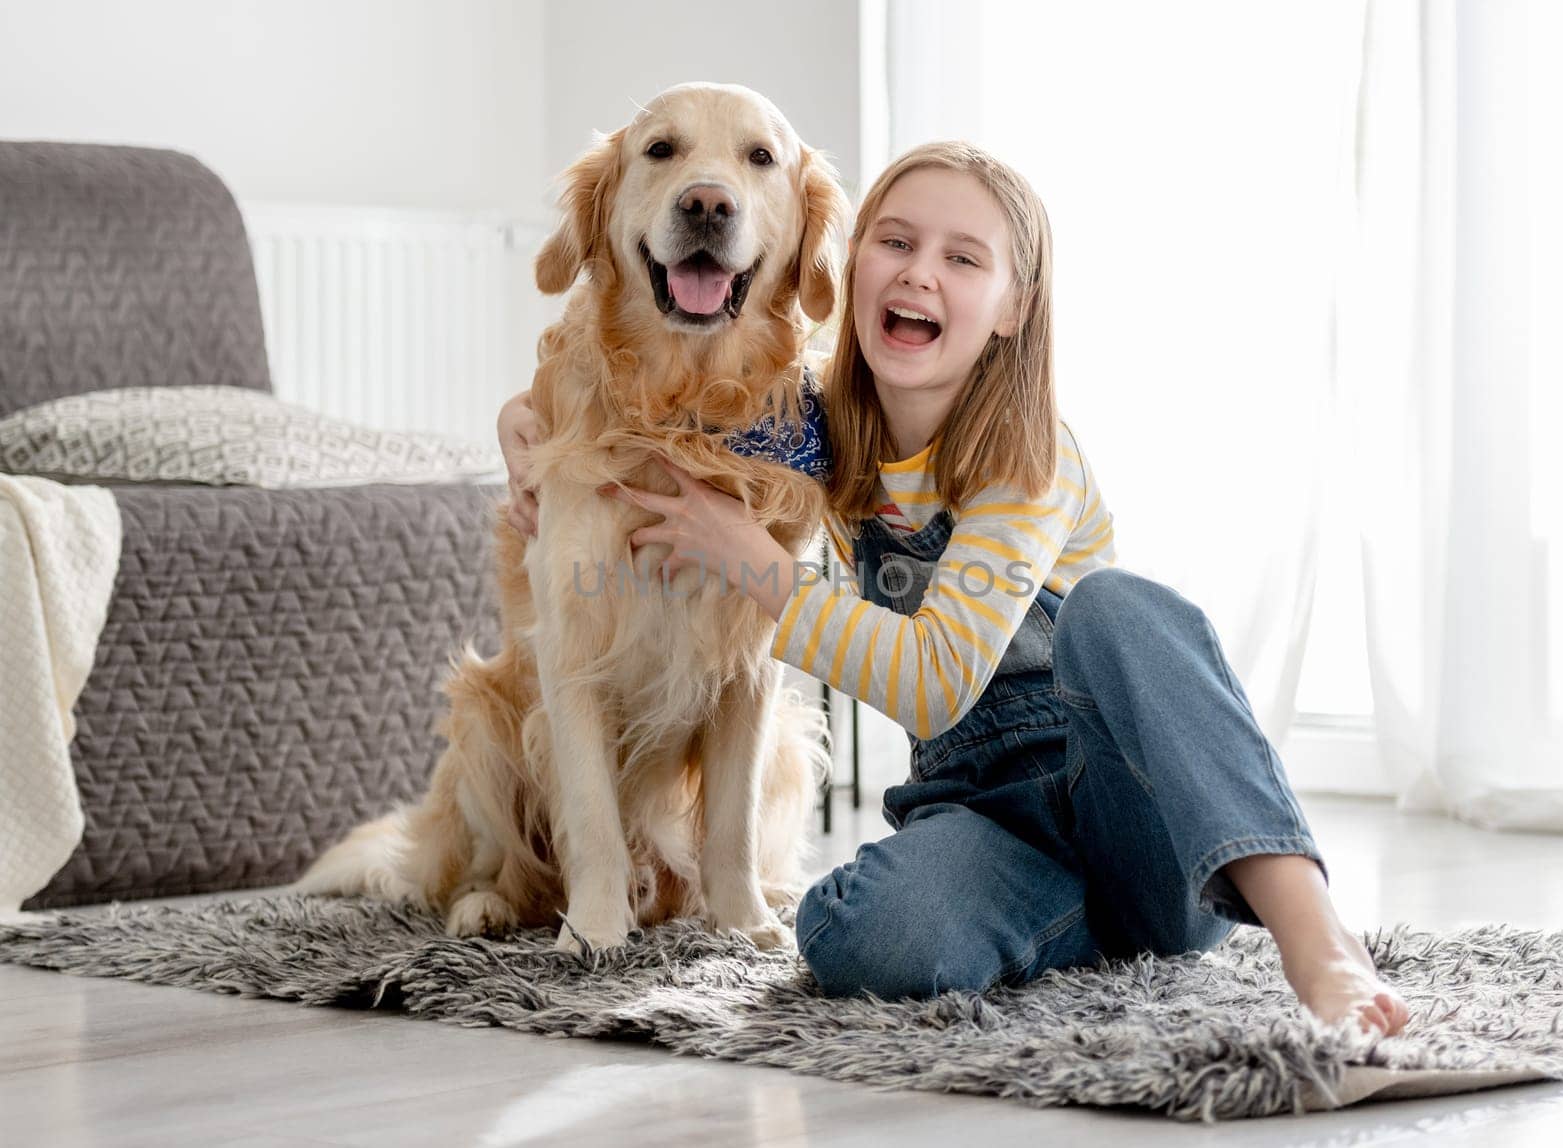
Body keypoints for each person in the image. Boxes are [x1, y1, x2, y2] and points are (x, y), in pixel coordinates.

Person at [497, 141, 1410, 1037]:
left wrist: (758, 565)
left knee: (1119, 610)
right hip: (985, 819)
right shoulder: (815, 434)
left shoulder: (1031, 460)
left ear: (1014, 307)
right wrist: (522, 424)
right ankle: (1087, 928)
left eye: (963, 258)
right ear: (846, 269)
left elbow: (934, 683)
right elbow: (658, 410)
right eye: (894, 243)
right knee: (851, 934)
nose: (919, 273)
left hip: (1134, 813)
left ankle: (1312, 935)